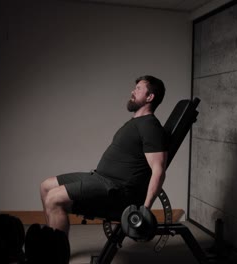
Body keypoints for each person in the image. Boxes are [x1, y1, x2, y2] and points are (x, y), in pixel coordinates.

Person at [40, 75, 168, 236]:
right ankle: (49, 244)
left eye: (138, 89)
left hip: (114, 189)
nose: (132, 91)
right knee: (46, 186)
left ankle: (57, 252)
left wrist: (145, 209)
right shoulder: (137, 122)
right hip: (99, 178)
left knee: (53, 198)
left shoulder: (150, 127)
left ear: (150, 97)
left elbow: (159, 170)